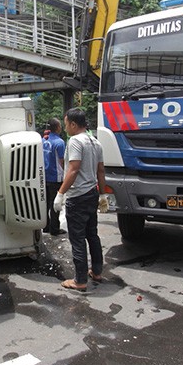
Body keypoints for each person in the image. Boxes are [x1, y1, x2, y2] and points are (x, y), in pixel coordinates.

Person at [54, 108, 107, 291]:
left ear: (73, 124)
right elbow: (101, 171)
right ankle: (97, 271)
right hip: (92, 193)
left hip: (78, 197)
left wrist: (60, 194)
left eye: (66, 123)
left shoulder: (76, 141)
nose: (66, 127)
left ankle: (80, 280)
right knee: (92, 235)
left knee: (77, 239)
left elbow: (73, 170)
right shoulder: (95, 142)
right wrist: (102, 194)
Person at [42, 118, 66, 236]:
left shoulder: (43, 141)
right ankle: (55, 229)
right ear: (57, 127)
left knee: (46, 203)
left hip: (44, 177)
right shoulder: (59, 142)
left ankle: (45, 226)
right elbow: (62, 161)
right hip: (56, 177)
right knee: (55, 204)